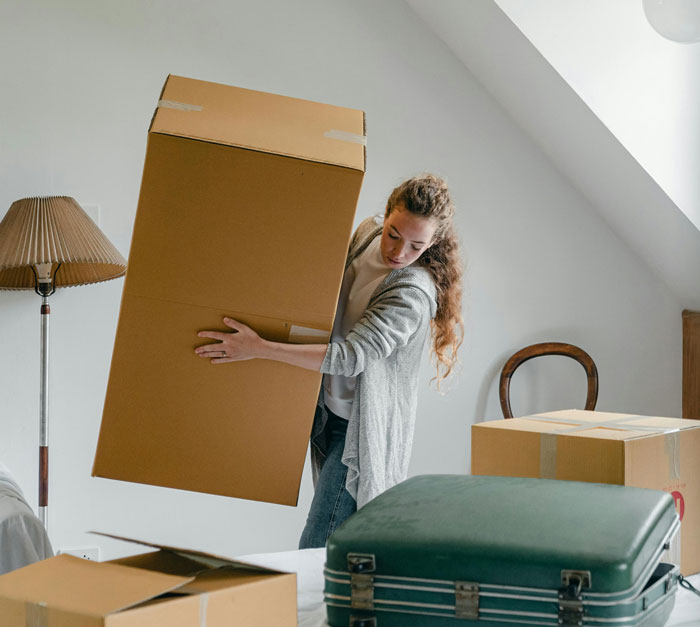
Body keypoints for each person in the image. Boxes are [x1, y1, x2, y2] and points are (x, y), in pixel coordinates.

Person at [194, 174, 463, 548]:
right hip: (326, 411)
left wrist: (260, 348)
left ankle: (308, 607)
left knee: (320, 543)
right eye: (394, 234)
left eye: (416, 245)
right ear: (385, 217)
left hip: (361, 428)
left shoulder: (411, 295)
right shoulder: (366, 236)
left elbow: (350, 357)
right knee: (341, 544)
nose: (399, 253)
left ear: (433, 244)